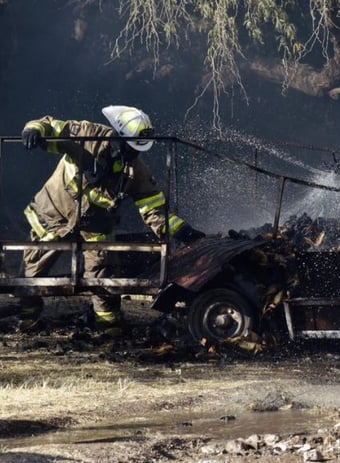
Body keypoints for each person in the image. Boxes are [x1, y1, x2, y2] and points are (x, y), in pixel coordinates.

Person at [17, 106, 205, 336]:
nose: (133, 155)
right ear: (118, 135)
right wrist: (34, 130)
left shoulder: (136, 171)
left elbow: (153, 210)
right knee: (33, 271)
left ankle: (109, 328)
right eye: (130, 148)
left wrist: (185, 232)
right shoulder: (86, 135)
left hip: (96, 226)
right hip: (53, 213)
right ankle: (27, 321)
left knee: (102, 277)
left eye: (137, 150)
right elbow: (49, 125)